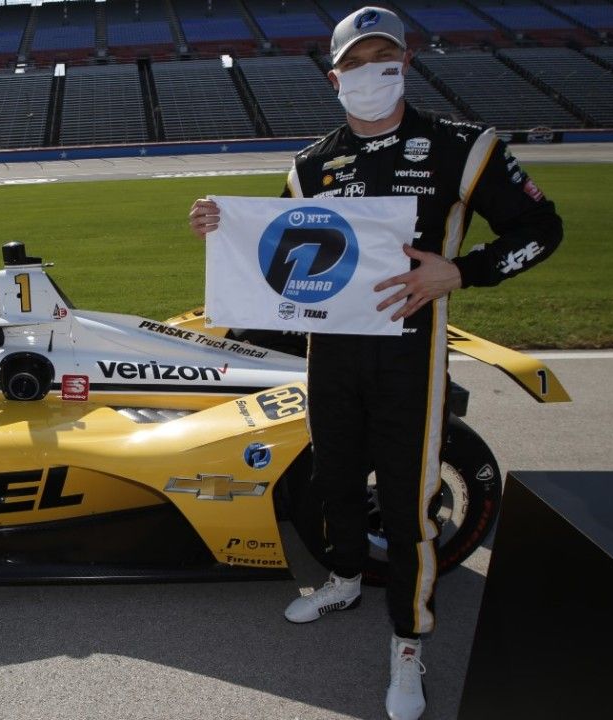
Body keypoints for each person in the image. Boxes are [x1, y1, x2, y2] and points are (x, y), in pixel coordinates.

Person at [187, 7, 562, 719]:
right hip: (330, 354)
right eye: (355, 62)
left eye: (382, 56)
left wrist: (463, 272)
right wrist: (220, 225)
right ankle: (346, 577)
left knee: (406, 500)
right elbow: (277, 253)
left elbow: (542, 229)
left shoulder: (462, 146)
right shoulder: (309, 164)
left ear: (406, 62)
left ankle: (410, 641)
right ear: (334, 77)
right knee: (333, 480)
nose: (369, 72)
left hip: (409, 355)